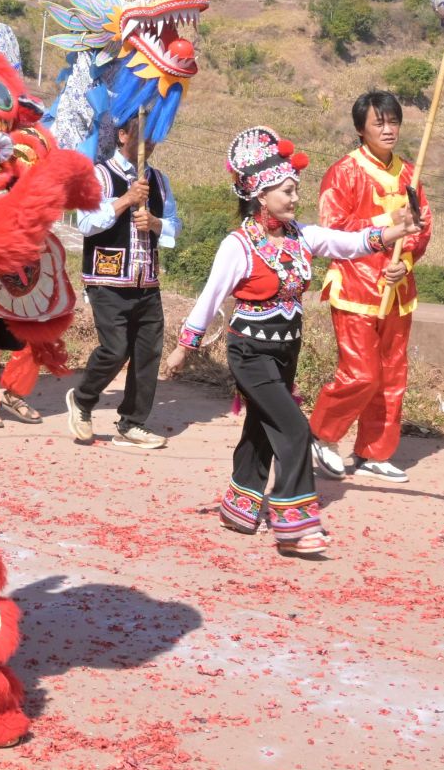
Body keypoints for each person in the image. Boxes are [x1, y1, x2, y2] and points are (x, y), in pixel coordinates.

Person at [161, 126, 415, 557]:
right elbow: (211, 296)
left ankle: (239, 508)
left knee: (262, 427)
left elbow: (350, 243)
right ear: (261, 195)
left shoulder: (301, 236)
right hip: (250, 351)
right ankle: (294, 525)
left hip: (286, 350)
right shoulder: (239, 245)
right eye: (287, 191)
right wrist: (185, 346)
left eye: (296, 189)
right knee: (295, 428)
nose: (295, 197)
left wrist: (395, 230)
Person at [309, 91, 434, 484]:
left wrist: (405, 261)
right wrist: (387, 221)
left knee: (392, 376)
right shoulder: (344, 172)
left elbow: (423, 227)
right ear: (360, 129)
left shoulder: (411, 173)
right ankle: (321, 435)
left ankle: (374, 452)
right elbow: (333, 230)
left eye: (393, 121)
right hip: (356, 287)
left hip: (398, 287)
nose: (388, 129)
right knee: (361, 373)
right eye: (379, 123)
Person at [69, 114, 181, 449]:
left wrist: (156, 224)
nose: (150, 144)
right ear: (122, 136)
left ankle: (132, 422)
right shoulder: (99, 175)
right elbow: (86, 223)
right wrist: (125, 201)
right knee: (115, 349)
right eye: (144, 136)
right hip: (107, 281)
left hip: (147, 282)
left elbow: (175, 225)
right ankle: (82, 399)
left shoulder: (159, 180)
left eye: (155, 137)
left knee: (148, 354)